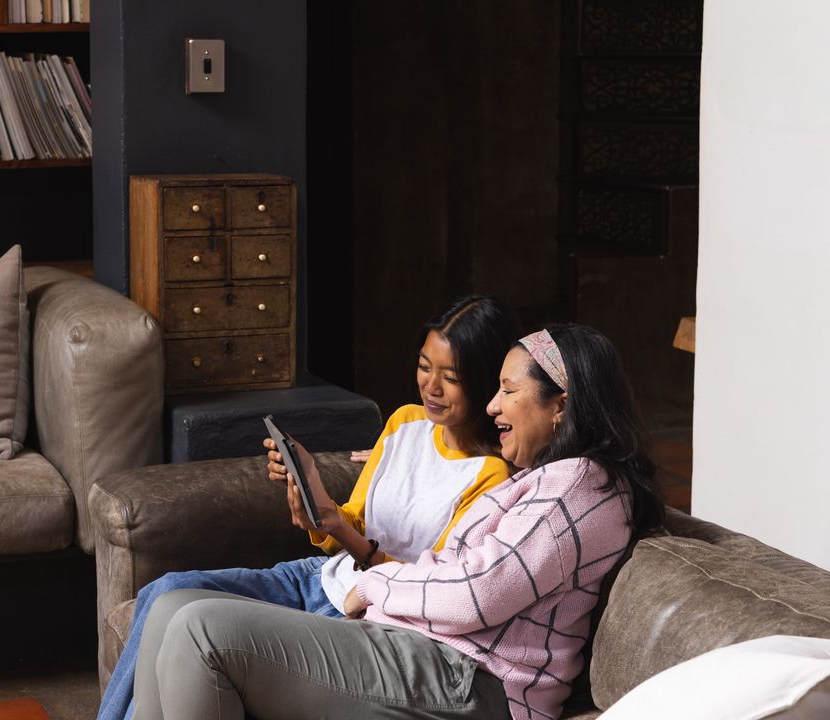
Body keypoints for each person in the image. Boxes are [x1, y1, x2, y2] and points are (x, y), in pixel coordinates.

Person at [129, 324, 664, 720]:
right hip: (427, 653)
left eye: (508, 390)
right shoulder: (550, 481)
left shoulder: (578, 487)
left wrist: (376, 582)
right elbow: (465, 571)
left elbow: (479, 590)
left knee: (202, 630)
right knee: (174, 605)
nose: (494, 406)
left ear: (561, 408)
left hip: (476, 683)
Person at [95, 295, 523, 720]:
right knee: (164, 591)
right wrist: (317, 501)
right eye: (425, 366)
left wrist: (339, 527)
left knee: (194, 627)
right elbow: (356, 519)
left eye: (451, 376)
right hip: (318, 578)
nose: (431, 386)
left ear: (485, 382)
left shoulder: (488, 477)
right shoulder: (404, 423)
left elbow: (425, 589)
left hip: (368, 612)